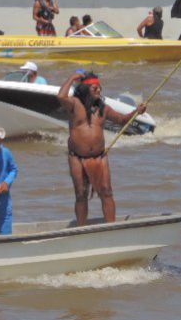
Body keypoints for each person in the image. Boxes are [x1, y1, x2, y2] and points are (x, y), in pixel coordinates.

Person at [57, 72, 146, 226]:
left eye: (99, 88)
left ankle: (111, 227)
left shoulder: (103, 108)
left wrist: (137, 112)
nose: (98, 90)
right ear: (85, 89)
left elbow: (121, 120)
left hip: (100, 157)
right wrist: (72, 78)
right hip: (77, 157)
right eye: (94, 88)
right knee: (80, 194)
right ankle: (80, 229)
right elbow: (61, 97)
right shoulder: (74, 105)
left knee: (106, 192)